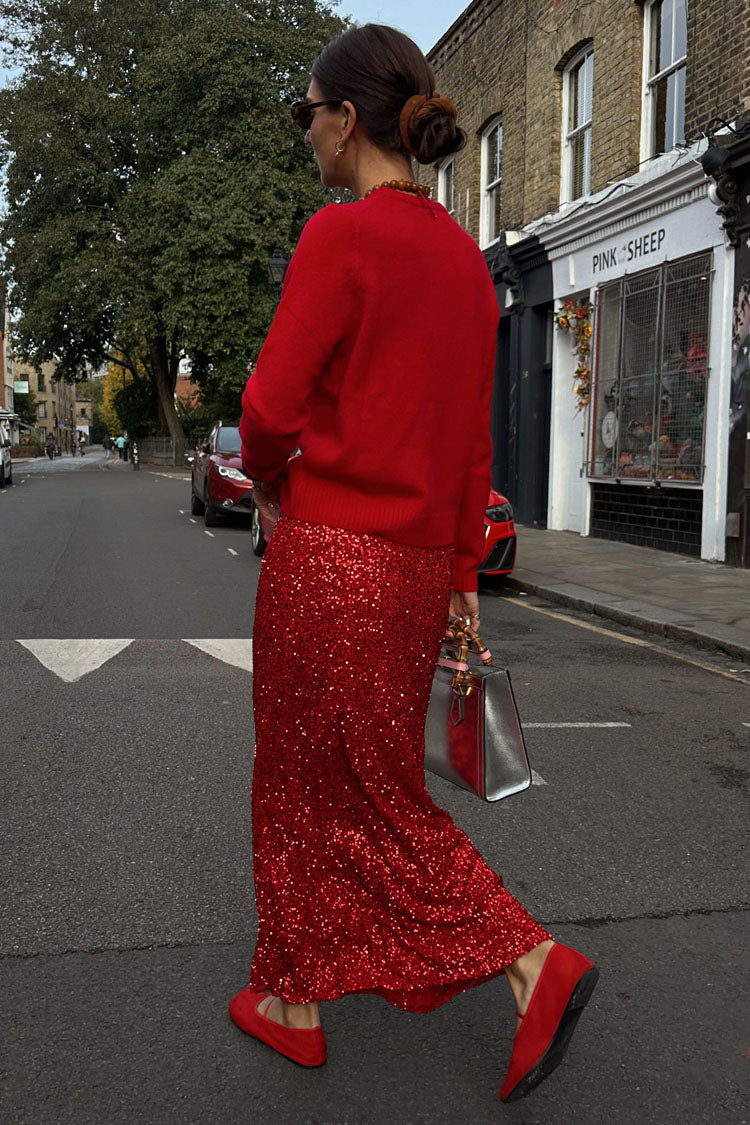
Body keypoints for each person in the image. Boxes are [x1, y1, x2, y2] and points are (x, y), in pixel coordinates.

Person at [230, 24, 598, 1105]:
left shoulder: (342, 239)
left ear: (347, 121)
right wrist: (456, 590)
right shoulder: (465, 266)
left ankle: (533, 963)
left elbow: (265, 412)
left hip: (330, 561)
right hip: (405, 575)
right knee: (333, 782)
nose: (306, 135)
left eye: (308, 114)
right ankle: (291, 994)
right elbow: (468, 458)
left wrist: (272, 478)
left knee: (334, 791)